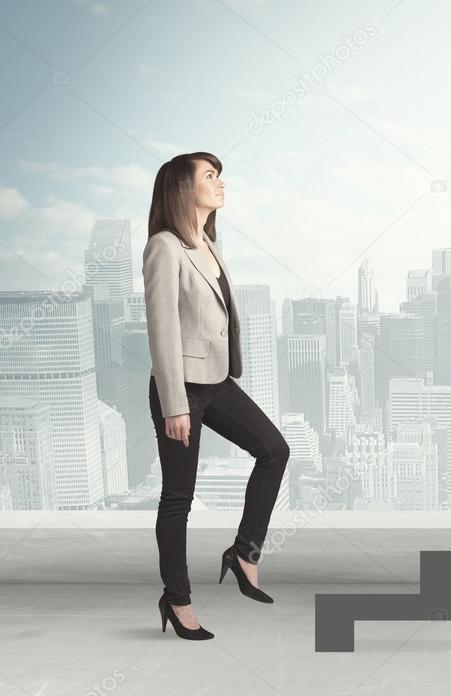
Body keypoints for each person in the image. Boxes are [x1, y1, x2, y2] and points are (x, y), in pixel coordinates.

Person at [144, 152, 290, 640]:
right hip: (181, 387)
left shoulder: (207, 243)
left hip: (217, 380)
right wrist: (173, 404)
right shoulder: (165, 247)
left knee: (274, 450)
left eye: (219, 174)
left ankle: (244, 550)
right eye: (209, 176)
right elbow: (162, 329)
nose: (220, 182)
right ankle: (178, 599)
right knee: (178, 499)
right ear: (183, 189)